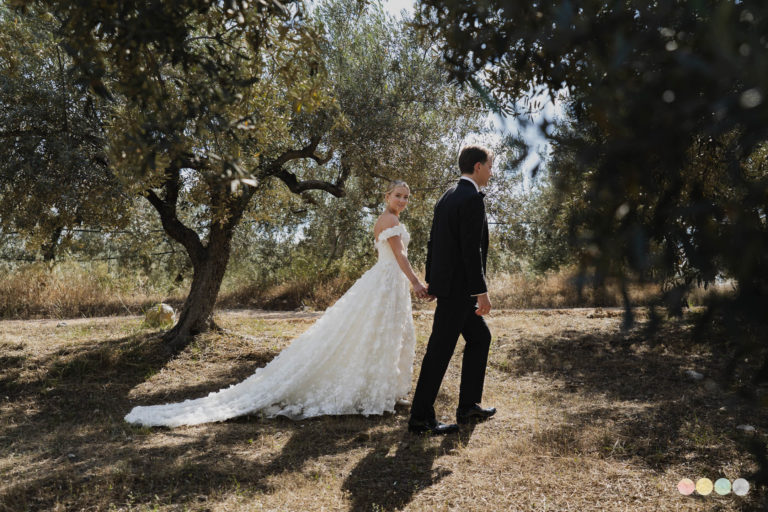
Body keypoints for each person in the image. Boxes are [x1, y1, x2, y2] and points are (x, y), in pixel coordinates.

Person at [125, 181, 428, 427]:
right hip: (387, 280)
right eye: (398, 195)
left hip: (387, 282)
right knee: (381, 333)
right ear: (387, 195)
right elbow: (400, 257)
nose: (402, 200)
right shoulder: (389, 219)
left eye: (406, 196)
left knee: (382, 334)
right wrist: (416, 282)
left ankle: (380, 388)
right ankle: (375, 391)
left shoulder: (388, 219)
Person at [408, 145, 496, 435]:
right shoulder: (471, 198)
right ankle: (420, 419)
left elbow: (434, 243)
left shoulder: (447, 196)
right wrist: (480, 292)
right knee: (438, 352)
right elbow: (470, 251)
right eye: (490, 165)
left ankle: (468, 405)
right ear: (478, 166)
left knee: (480, 337)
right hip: (460, 291)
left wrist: (432, 280)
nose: (491, 172)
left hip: (451, 287)